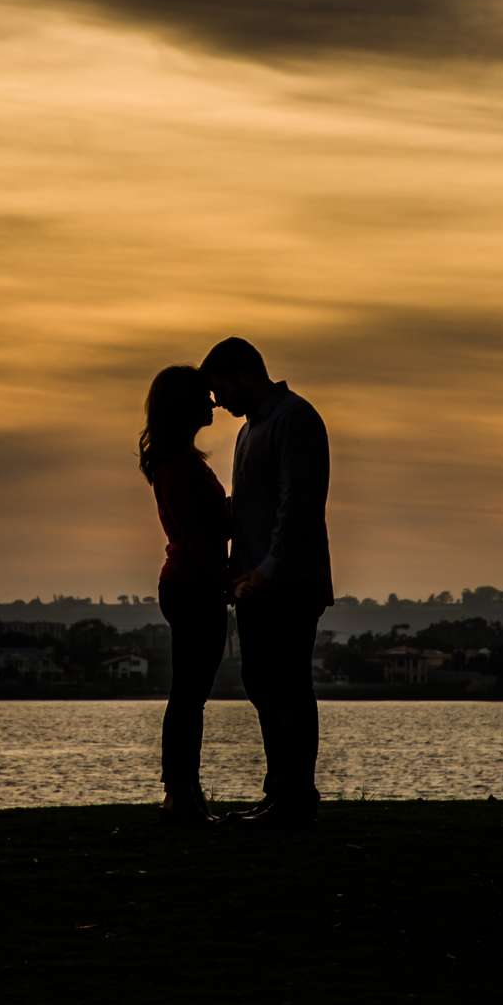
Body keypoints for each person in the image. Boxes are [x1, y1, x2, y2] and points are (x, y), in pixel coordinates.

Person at [202, 337, 332, 830]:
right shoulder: (250, 430)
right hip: (253, 582)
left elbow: (296, 506)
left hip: (288, 583)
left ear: (242, 375)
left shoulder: (295, 419)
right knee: (263, 683)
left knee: (289, 686)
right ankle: (280, 791)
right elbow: (253, 506)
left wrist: (267, 570)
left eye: (219, 391)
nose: (218, 404)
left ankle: (296, 795)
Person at [138, 364, 229, 825]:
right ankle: (181, 794)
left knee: (189, 694)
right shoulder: (183, 467)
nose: (213, 403)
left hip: (187, 582)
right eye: (203, 396)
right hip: (196, 584)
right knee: (190, 695)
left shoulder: (175, 462)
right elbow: (207, 528)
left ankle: (183, 792)